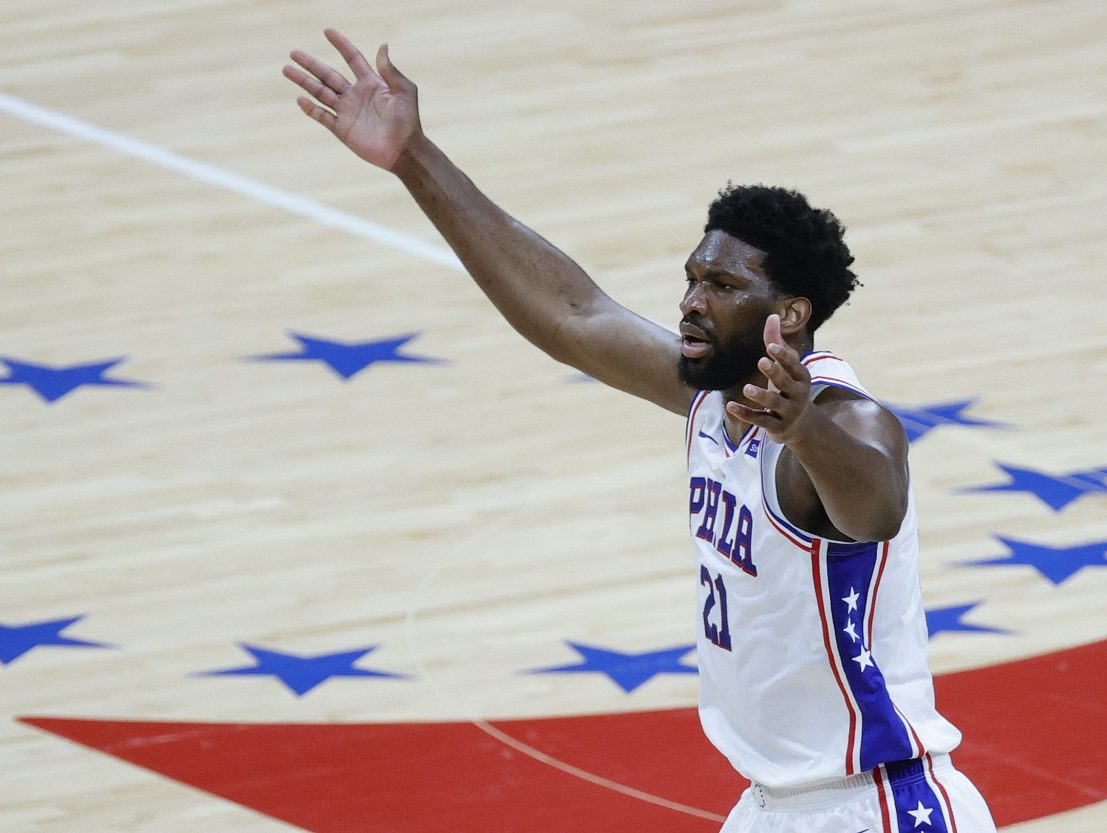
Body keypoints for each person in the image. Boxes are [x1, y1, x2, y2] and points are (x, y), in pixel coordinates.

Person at [283, 29, 998, 833]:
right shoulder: (710, 394)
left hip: (876, 805)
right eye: (693, 277)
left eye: (723, 285)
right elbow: (572, 313)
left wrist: (801, 428)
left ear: (791, 313)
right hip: (770, 805)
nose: (692, 301)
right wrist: (413, 156)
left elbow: (876, 505)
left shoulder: (841, 417)